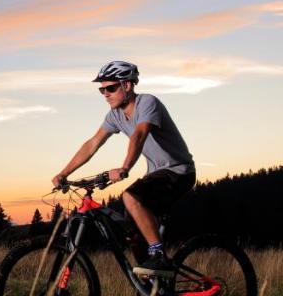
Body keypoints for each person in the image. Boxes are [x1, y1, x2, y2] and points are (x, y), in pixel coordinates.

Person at [52, 60, 195, 276]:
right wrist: (64, 173)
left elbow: (139, 134)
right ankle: (151, 285)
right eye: (102, 90)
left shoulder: (148, 103)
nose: (105, 94)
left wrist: (125, 167)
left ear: (127, 85)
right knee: (131, 231)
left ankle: (159, 256)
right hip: (157, 175)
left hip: (178, 171)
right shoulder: (115, 115)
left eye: (110, 88)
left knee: (130, 196)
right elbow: (92, 144)